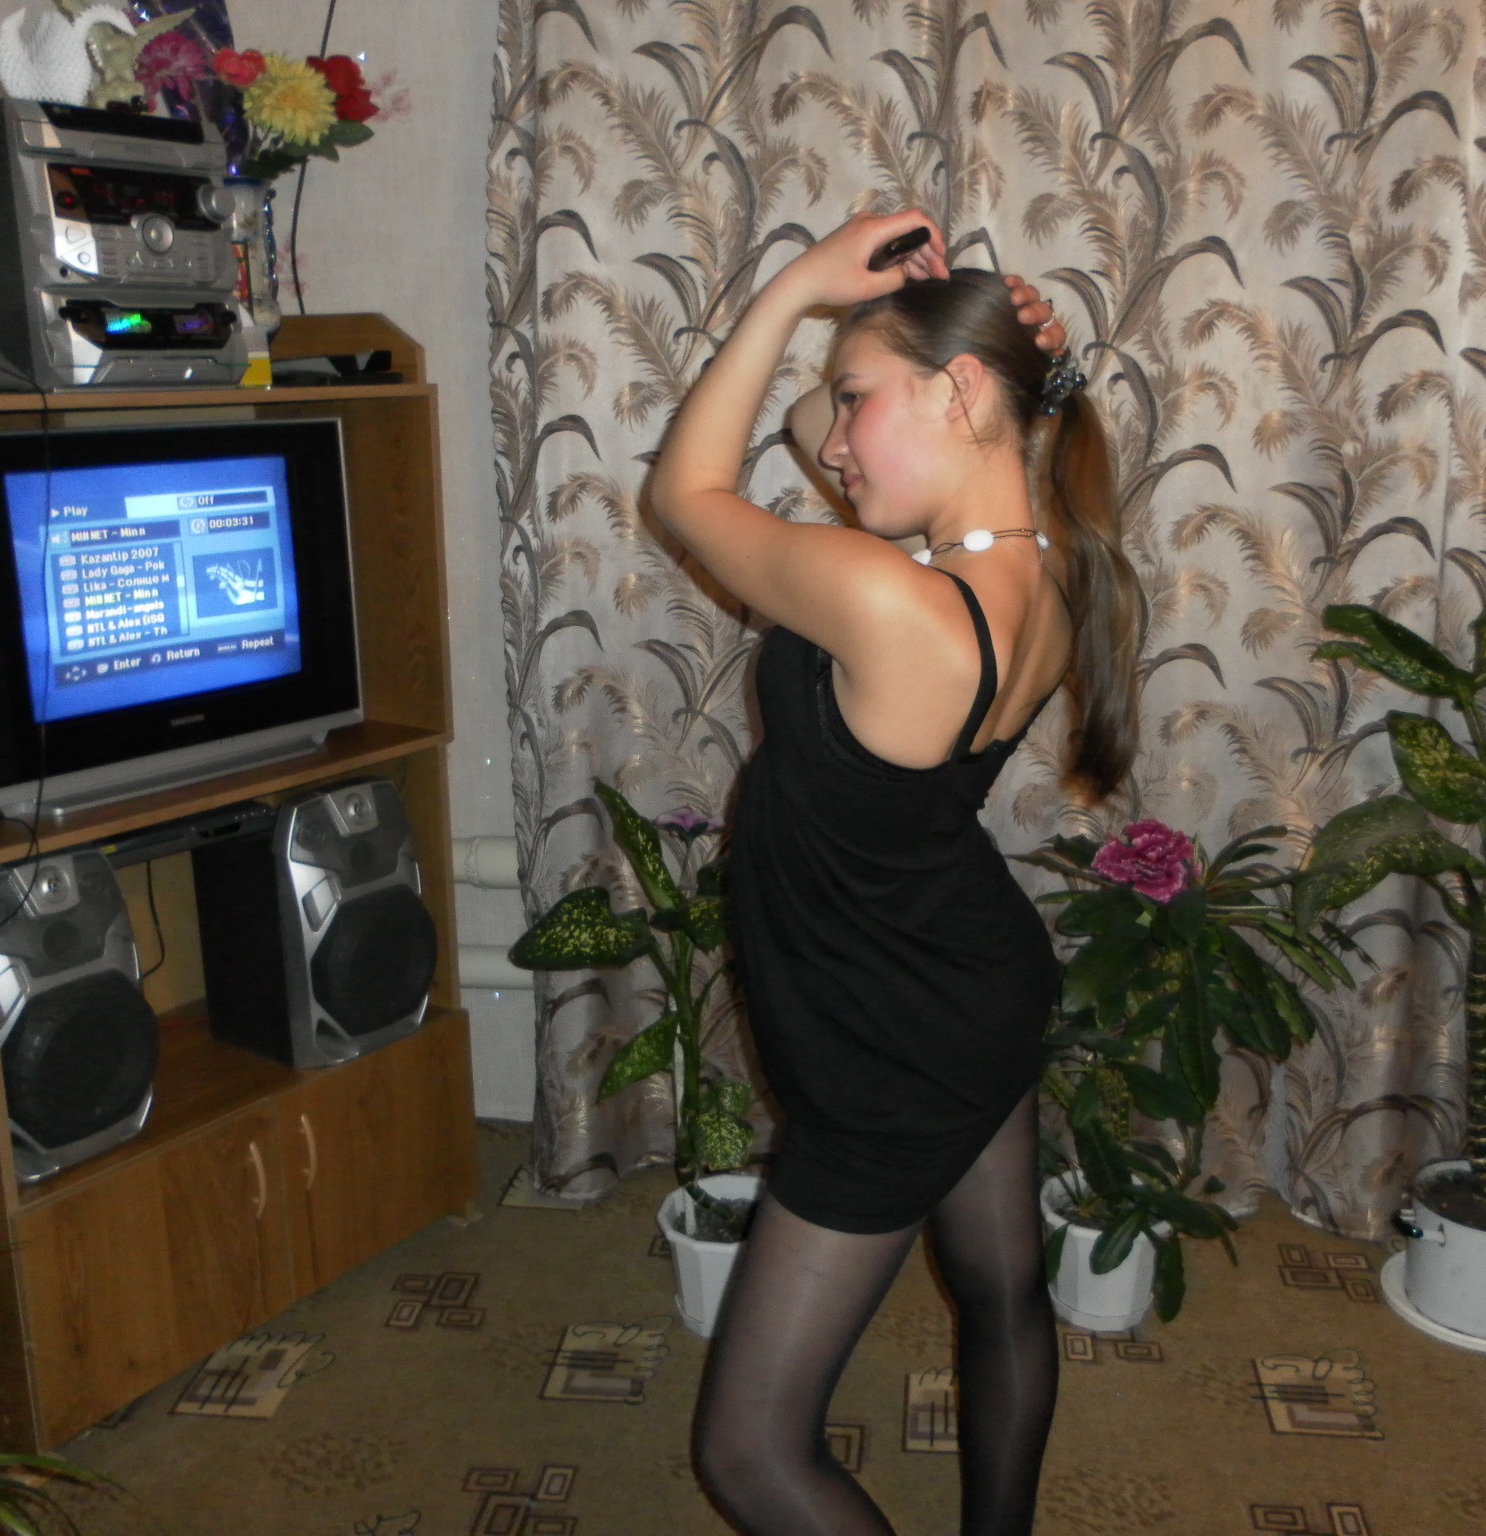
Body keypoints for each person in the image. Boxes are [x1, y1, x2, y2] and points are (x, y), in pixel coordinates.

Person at [648, 208, 1141, 1536]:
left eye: (866, 397)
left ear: (962, 393)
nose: (837, 438)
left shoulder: (896, 600)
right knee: (999, 1287)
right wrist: (882, 352)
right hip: (962, 982)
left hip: (888, 1041)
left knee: (751, 1453)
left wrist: (797, 293)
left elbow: (683, 496)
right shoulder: (1034, 567)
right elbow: (811, 429)